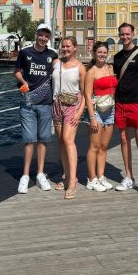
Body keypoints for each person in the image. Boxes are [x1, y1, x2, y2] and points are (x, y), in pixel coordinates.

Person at [14, 23, 57, 194]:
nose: (43, 38)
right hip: (28, 103)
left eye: (46, 36)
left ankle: (40, 174)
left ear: (49, 38)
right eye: (41, 35)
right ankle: (25, 176)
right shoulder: (25, 52)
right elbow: (17, 71)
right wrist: (23, 82)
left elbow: (60, 69)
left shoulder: (52, 54)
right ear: (36, 34)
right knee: (29, 140)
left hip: (46, 103)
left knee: (43, 140)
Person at [113, 23, 138, 200]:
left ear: (133, 34)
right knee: (123, 139)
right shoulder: (116, 57)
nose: (125, 37)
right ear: (119, 36)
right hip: (121, 103)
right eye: (122, 34)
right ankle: (128, 176)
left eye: (127, 34)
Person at [51, 36, 86, 199]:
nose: (65, 49)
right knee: (61, 141)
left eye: (68, 46)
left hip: (73, 105)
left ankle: (72, 181)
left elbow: (86, 93)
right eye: (63, 46)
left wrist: (80, 111)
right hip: (56, 104)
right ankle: (66, 175)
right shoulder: (56, 63)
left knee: (68, 139)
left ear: (75, 48)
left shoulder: (80, 67)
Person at [83, 41, 118, 193]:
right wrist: (92, 117)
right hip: (96, 111)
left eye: (105, 52)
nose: (102, 55)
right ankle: (91, 179)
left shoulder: (110, 68)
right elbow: (87, 95)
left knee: (104, 147)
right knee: (94, 146)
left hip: (110, 110)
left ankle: (101, 175)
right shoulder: (91, 72)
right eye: (99, 52)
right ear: (94, 54)